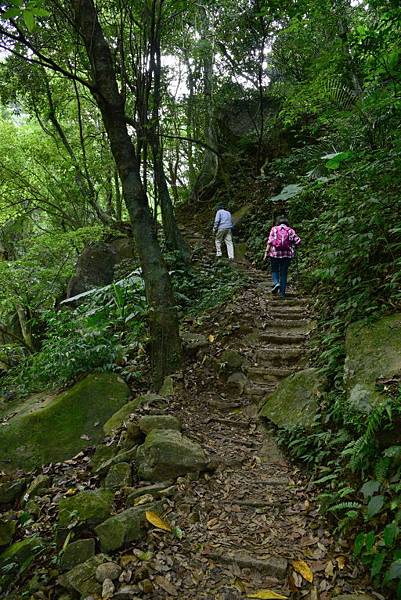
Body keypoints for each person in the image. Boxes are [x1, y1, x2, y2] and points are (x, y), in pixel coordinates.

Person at [263, 216, 301, 299]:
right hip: (287, 254)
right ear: (287, 223)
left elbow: (270, 241)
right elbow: (298, 241)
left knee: (274, 269)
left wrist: (266, 252)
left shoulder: (274, 229)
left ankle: (276, 283)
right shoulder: (290, 230)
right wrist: (295, 245)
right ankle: (282, 294)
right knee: (284, 273)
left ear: (278, 222)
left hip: (275, 254)